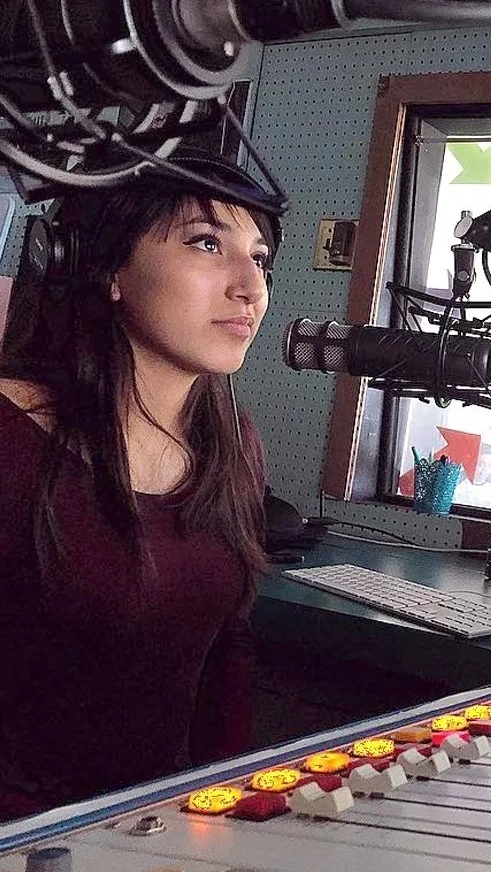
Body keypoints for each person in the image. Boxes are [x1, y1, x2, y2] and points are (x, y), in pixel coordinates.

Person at [0, 148, 281, 821]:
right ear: (109, 269)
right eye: (208, 243)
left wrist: (222, 821)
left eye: (261, 258)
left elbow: (224, 664)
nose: (250, 287)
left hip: (159, 832)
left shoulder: (234, 445)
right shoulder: (9, 435)